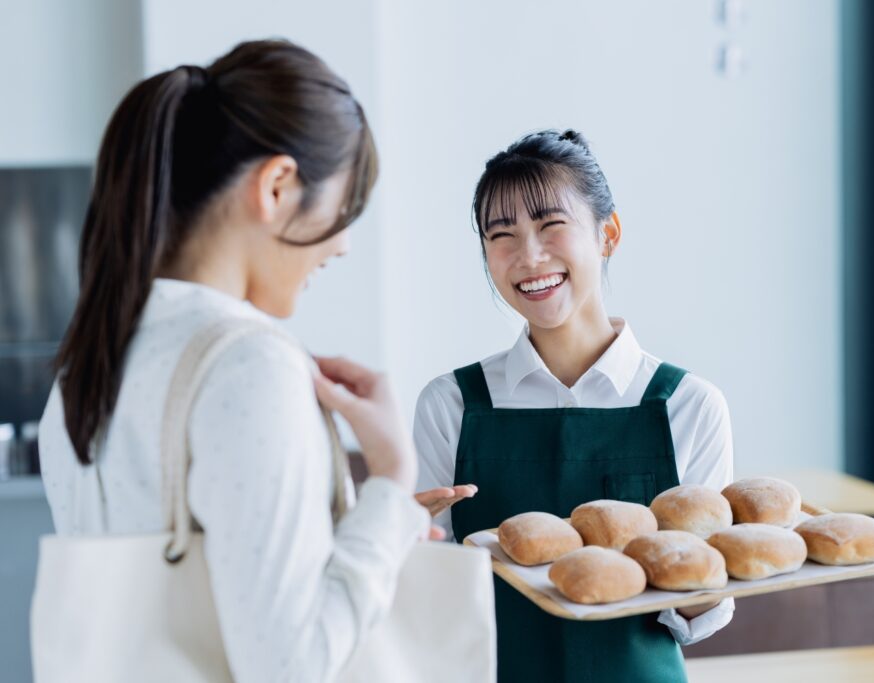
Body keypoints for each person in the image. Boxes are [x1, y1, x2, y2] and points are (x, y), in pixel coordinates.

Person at [39, 39, 434, 682]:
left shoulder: (86, 367)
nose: (343, 244)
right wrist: (389, 484)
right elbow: (289, 668)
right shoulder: (249, 366)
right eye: (343, 207)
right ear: (277, 186)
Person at [414, 129, 736, 682]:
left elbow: (699, 618)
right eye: (502, 234)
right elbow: (433, 600)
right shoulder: (451, 404)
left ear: (608, 233)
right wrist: (404, 547)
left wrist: (701, 582)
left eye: (550, 225)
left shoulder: (688, 405)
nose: (528, 256)